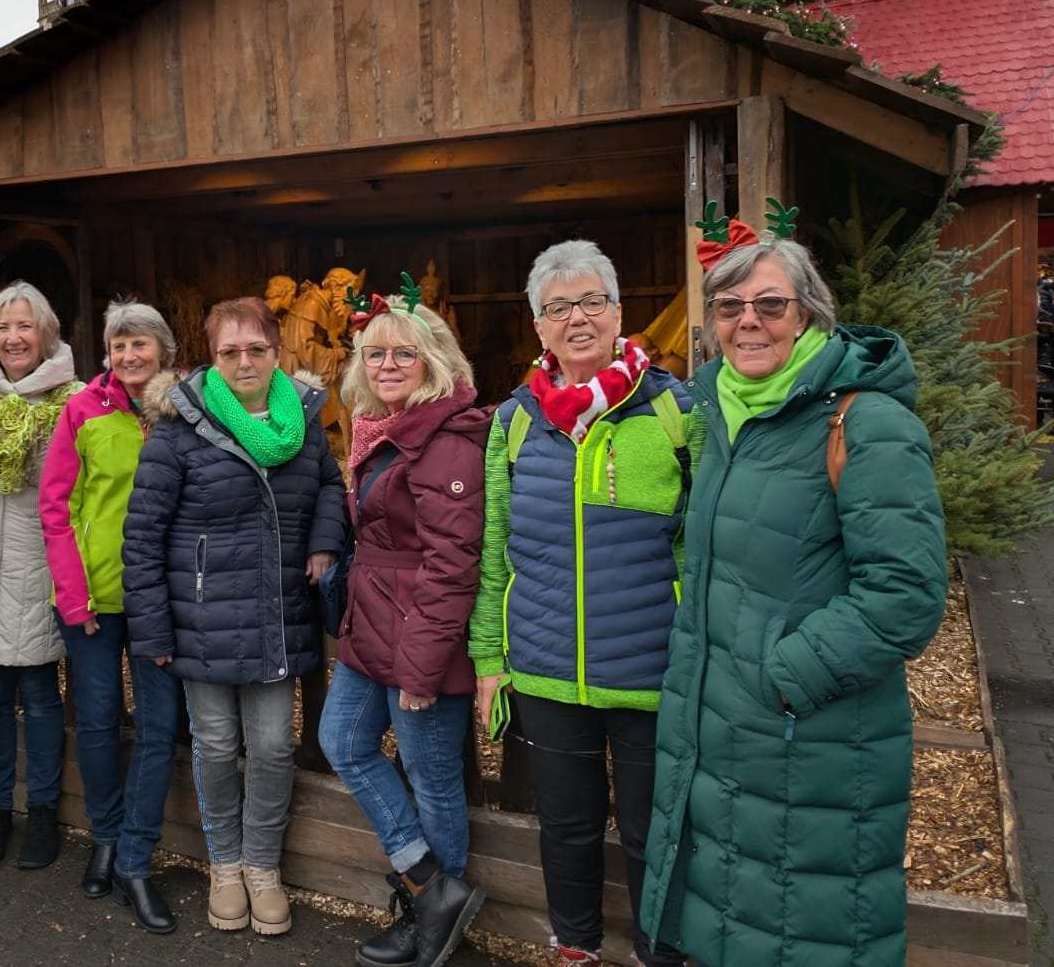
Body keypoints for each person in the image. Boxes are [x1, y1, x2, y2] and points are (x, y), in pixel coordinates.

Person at [641, 232, 947, 967]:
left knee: (802, 929)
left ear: (809, 312)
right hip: (722, 737)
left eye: (770, 304)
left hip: (810, 744)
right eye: (729, 306)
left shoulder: (866, 423)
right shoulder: (725, 416)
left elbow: (906, 594)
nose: (748, 320)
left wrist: (781, 678)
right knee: (730, 923)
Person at [467, 240, 691, 967]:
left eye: (592, 301)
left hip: (655, 671)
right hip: (547, 669)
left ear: (619, 313)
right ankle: (576, 947)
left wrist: (700, 650)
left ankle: (660, 953)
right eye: (558, 307)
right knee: (565, 826)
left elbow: (698, 548)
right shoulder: (516, 420)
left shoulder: (673, 410)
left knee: (656, 833)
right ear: (539, 325)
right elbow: (494, 549)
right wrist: (489, 659)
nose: (578, 318)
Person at [124, 297, 347, 937]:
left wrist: (322, 541)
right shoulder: (180, 426)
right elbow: (143, 535)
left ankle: (262, 867)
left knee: (273, 745)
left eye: (256, 349)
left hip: (276, 611)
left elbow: (330, 486)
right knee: (217, 744)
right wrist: (152, 629)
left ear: (277, 352)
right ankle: (225, 865)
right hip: (202, 617)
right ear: (212, 356)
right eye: (230, 351)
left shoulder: (301, 419)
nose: (244, 361)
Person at [319, 294, 489, 967]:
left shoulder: (444, 440)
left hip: (421, 633)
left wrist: (422, 668)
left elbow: (452, 565)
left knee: (431, 776)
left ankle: (434, 923)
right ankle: (429, 884)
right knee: (342, 740)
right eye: (375, 353)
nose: (387, 364)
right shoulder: (383, 429)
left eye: (404, 353)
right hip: (374, 624)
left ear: (434, 361)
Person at [38, 299, 184, 932]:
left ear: (165, 352)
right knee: (97, 721)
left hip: (161, 599)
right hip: (94, 598)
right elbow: (57, 507)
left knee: (158, 725)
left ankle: (134, 854)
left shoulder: (184, 410)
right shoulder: (83, 410)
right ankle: (104, 834)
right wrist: (73, 594)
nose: (129, 355)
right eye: (118, 345)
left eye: (140, 344)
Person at [0, 281, 80, 870]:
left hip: (38, 562)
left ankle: (44, 809)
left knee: (42, 695)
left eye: (24, 325)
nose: (13, 337)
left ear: (46, 333)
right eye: (2, 327)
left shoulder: (71, 399)